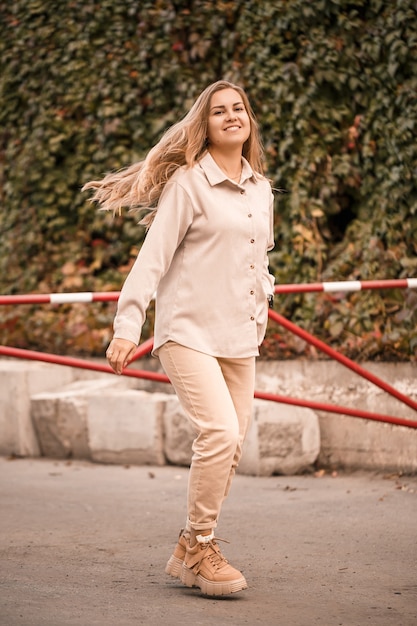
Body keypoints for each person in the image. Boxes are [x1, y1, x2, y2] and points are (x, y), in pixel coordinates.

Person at [82, 80, 275, 596]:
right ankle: (204, 548)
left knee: (231, 446)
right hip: (187, 330)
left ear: (249, 120)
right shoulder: (189, 184)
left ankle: (189, 546)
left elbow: (259, 259)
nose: (232, 116)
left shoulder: (260, 188)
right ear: (205, 126)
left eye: (239, 108)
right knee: (220, 433)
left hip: (239, 334)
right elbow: (153, 259)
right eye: (219, 111)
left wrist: (261, 309)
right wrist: (128, 326)